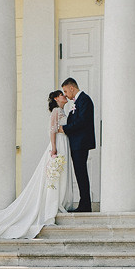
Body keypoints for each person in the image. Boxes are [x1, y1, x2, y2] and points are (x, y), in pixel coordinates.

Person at [0, 91, 75, 240]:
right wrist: (54, 148)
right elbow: (52, 130)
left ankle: (59, 202)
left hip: (64, 142)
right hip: (58, 144)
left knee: (60, 174)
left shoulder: (63, 111)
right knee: (53, 175)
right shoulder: (56, 111)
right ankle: (51, 205)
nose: (65, 97)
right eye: (62, 95)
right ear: (56, 98)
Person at [60, 77, 95, 212]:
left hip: (81, 143)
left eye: (65, 91)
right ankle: (84, 203)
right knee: (79, 173)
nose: (65, 95)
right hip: (77, 143)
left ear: (72, 88)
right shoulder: (78, 101)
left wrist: (65, 129)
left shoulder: (84, 100)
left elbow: (82, 122)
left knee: (81, 173)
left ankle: (85, 205)